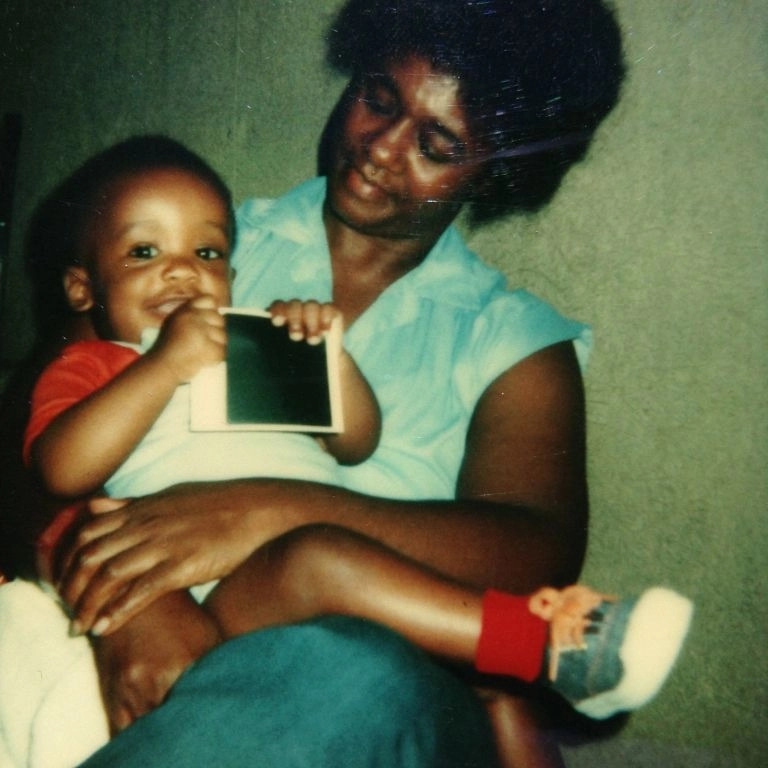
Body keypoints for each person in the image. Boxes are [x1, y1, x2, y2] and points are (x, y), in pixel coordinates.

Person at [2, 1, 687, 766]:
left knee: (352, 673)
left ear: (500, 171)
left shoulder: (511, 339)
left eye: (436, 143)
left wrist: (270, 511)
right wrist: (129, 606)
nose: (379, 150)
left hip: (397, 675)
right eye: (378, 100)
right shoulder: (196, 245)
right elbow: (37, 445)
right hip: (203, 626)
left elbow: (536, 553)